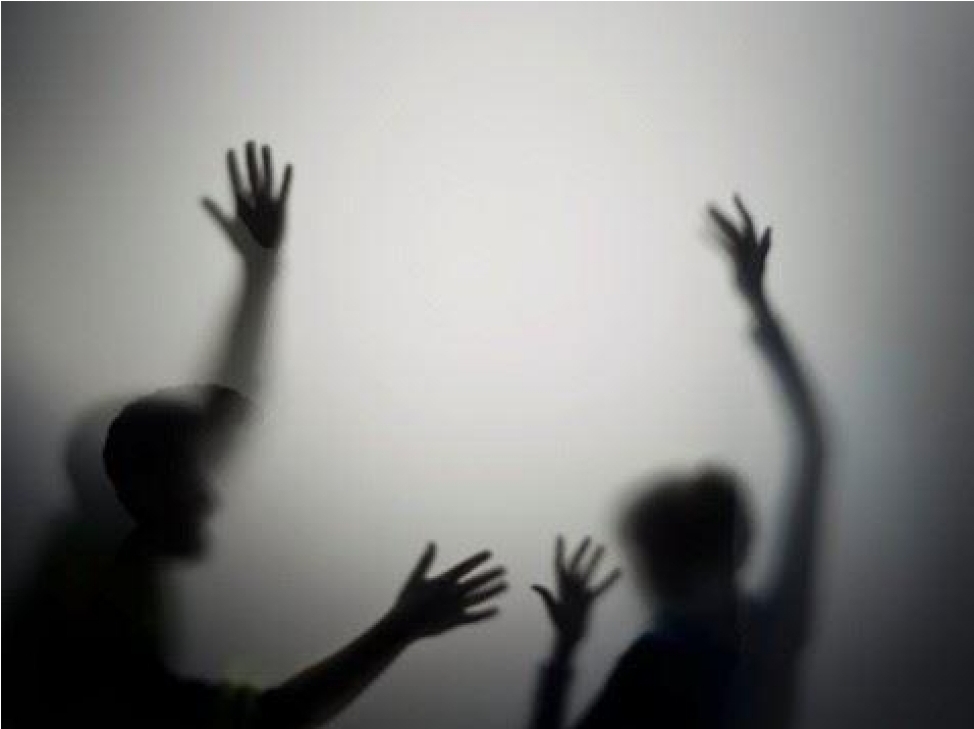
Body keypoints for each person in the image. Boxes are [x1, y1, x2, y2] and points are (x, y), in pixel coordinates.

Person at [7, 143, 507, 729]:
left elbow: (222, 415)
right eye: (191, 477)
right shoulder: (87, 628)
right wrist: (399, 628)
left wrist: (260, 275)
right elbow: (272, 720)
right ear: (139, 487)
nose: (211, 495)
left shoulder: (96, 564)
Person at [528, 196, 827, 729]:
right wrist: (757, 305)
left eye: (657, 567)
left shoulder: (674, 658)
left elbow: (814, 447)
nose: (649, 587)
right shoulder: (753, 637)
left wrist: (564, 653)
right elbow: (814, 445)